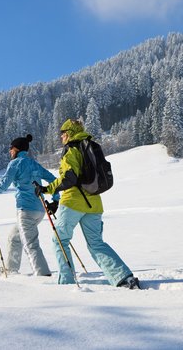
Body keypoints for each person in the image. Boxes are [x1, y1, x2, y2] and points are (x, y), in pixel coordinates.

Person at [37, 119, 140, 289]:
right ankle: (124, 278)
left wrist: (47, 188)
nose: (61, 136)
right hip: (94, 204)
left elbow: (70, 177)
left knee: (60, 240)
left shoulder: (71, 149)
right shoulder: (89, 146)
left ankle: (67, 282)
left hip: (72, 203)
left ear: (69, 133)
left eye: (62, 133)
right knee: (96, 243)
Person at [0, 134, 59, 276]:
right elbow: (54, 180)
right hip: (40, 211)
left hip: (26, 210)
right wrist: (55, 200)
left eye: (11, 148)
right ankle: (11, 270)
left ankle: (43, 275)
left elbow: (3, 186)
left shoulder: (15, 163)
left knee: (31, 244)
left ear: (16, 149)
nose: (10, 151)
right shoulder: (33, 163)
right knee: (14, 237)